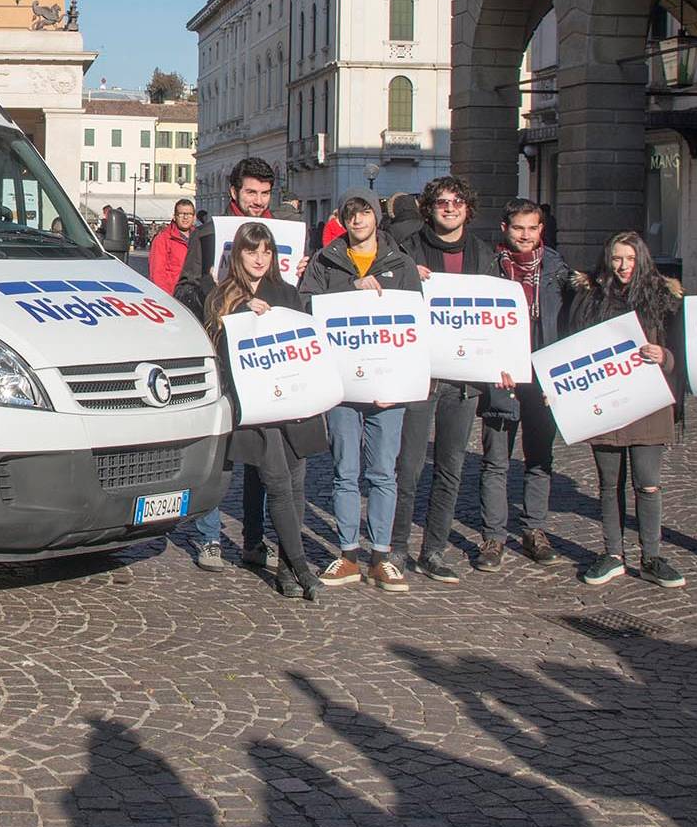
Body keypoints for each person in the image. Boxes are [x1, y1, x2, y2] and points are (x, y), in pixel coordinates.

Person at [176, 157, 304, 573]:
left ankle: (253, 539)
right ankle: (210, 536)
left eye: (265, 194)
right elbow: (186, 286)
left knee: (261, 452)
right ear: (234, 192)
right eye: (251, 192)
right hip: (222, 352)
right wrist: (222, 303)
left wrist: (301, 271)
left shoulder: (279, 235)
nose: (258, 201)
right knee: (222, 454)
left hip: (264, 358)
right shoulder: (210, 232)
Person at [298, 188, 420, 593]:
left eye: (364, 212)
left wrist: (400, 383)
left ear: (376, 215)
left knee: (384, 473)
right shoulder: (325, 260)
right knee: (344, 472)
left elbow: (413, 327)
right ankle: (348, 553)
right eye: (350, 213)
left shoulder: (401, 263)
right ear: (341, 218)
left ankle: (381, 556)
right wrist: (351, 294)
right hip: (343, 386)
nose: (357, 220)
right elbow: (308, 309)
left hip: (388, 388)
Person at [202, 221, 328, 601]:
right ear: (238, 254)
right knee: (276, 482)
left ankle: (287, 572)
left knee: (296, 484)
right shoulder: (222, 296)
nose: (259, 259)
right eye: (251, 251)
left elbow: (305, 343)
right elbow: (218, 348)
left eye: (266, 251)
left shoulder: (287, 293)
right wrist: (242, 312)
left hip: (291, 403)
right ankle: (303, 568)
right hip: (256, 407)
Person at [395, 175, 512, 584]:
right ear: (429, 208)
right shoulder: (407, 250)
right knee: (407, 467)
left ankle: (434, 550)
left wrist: (503, 360)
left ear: (467, 209)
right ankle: (395, 549)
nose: (449, 208)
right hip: (421, 376)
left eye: (457, 202)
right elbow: (387, 299)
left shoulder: (484, 256)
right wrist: (408, 277)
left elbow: (498, 318)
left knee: (450, 467)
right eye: (441, 202)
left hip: (463, 381)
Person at [569, 232, 686, 588]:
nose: (623, 267)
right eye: (617, 259)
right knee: (609, 484)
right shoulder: (590, 297)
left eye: (630, 259)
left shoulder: (664, 298)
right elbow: (572, 347)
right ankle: (612, 554)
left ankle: (651, 556)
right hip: (604, 403)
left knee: (647, 484)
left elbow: (681, 351)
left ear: (643, 260)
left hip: (648, 404)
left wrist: (663, 356)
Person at [480, 199, 577, 566]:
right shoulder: (489, 268)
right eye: (518, 228)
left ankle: (534, 528)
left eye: (532, 228)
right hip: (500, 377)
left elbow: (576, 316)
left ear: (541, 231)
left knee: (539, 458)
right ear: (505, 227)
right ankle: (493, 537)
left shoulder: (556, 269)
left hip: (542, 375)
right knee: (495, 461)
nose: (525, 235)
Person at [148, 198, 197, 294]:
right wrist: (165, 297)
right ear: (174, 217)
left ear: (194, 217)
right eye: (181, 214)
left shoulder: (198, 237)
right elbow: (157, 273)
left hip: (194, 294)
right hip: (172, 294)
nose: (185, 217)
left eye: (189, 214)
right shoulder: (163, 239)